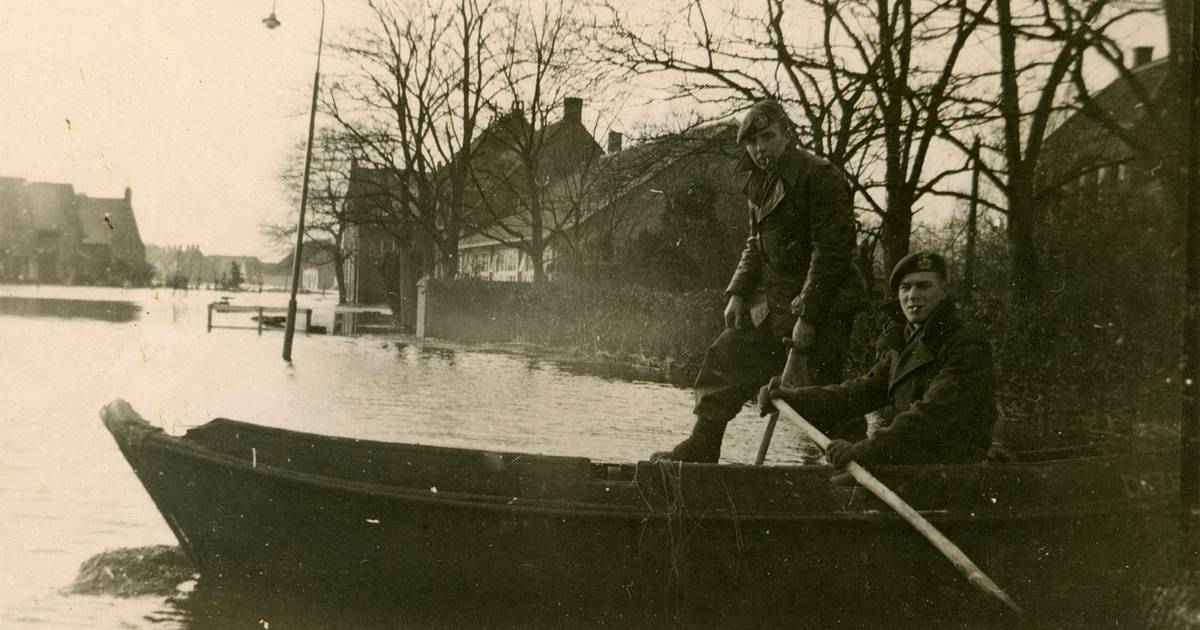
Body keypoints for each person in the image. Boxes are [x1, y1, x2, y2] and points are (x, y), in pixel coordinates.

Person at [652, 99, 868, 463]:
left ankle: (856, 468)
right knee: (725, 359)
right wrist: (737, 291)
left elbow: (830, 252)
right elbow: (756, 243)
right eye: (752, 143)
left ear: (788, 135)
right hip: (771, 304)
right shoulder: (760, 183)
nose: (759, 149)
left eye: (768, 137)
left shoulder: (821, 177)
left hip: (824, 306)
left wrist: (809, 316)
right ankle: (702, 446)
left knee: (822, 397)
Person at [758, 252, 998, 468]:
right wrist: (793, 398)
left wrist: (863, 450)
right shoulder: (903, 342)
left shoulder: (965, 344)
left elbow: (931, 416)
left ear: (943, 292)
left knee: (841, 490)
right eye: (905, 288)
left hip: (956, 467)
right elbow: (860, 392)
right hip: (915, 460)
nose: (913, 296)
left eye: (924, 286)